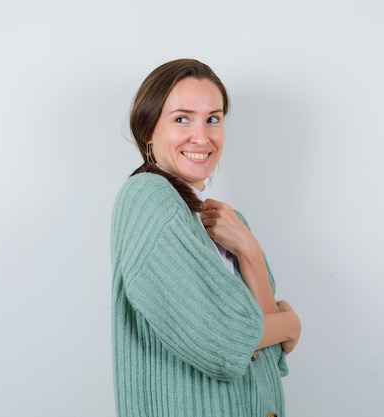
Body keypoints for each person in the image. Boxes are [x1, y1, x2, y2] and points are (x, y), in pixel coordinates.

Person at [111, 58, 301, 417]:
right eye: (182, 118)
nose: (202, 136)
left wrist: (249, 249)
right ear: (149, 130)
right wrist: (291, 323)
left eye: (213, 119)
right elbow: (225, 343)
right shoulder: (147, 197)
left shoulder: (228, 222)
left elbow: (269, 358)